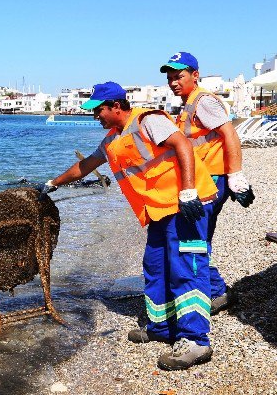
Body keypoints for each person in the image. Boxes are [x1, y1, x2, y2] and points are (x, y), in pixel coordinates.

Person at [41, 82, 219, 371]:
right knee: (156, 266)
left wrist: (188, 192)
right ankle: (162, 327)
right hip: (159, 210)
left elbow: (183, 145)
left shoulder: (149, 121)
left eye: (98, 110)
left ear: (115, 106)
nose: (94, 116)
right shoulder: (112, 139)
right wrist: (52, 184)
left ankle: (194, 340)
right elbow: (85, 166)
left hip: (185, 204)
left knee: (186, 268)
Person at [160, 52, 255, 314]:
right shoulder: (190, 102)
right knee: (198, 240)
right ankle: (217, 292)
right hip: (208, 180)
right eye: (170, 78)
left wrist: (235, 175)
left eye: (178, 76)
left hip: (210, 182)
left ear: (195, 75)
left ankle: (199, 300)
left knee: (190, 241)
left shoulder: (202, 101)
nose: (173, 82)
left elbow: (230, 135)